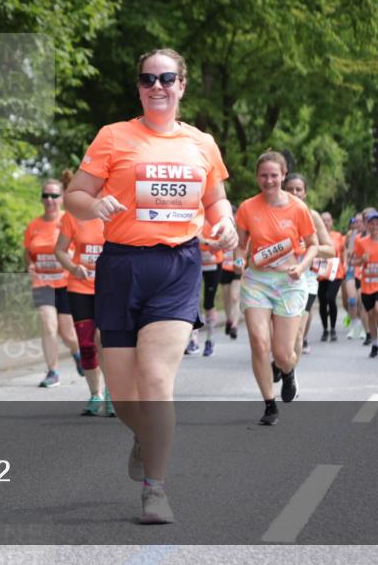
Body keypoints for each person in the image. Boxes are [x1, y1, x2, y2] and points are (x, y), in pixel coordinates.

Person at [65, 48, 236, 524]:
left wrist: (227, 224)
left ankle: (155, 489)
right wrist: (91, 207)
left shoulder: (202, 143)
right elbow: (76, 194)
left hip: (177, 266)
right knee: (123, 395)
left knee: (157, 379)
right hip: (120, 267)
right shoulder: (113, 136)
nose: (156, 86)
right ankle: (143, 434)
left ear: (182, 85)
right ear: (139, 86)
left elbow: (217, 199)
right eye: (147, 79)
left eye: (166, 78)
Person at [235, 152, 317, 426]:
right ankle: (269, 405)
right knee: (259, 342)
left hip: (289, 282)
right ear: (257, 177)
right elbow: (241, 244)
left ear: (283, 175)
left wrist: (301, 266)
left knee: (283, 353)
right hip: (257, 281)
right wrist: (238, 261)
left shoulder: (297, 208)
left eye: (274, 175)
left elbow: (313, 244)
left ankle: (288, 371)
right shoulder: (247, 207)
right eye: (263, 175)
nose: (268, 180)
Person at [54, 170, 110, 415]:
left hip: (110, 289)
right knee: (87, 344)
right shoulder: (72, 217)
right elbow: (60, 250)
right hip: (79, 288)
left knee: (105, 341)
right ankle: (95, 395)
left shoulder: (114, 213)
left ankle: (112, 393)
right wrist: (73, 268)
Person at [25, 178, 83, 388]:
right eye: (46, 195)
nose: (49, 200)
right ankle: (53, 372)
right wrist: (30, 265)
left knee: (68, 332)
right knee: (48, 325)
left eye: (54, 195)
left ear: (62, 198)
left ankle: (78, 353)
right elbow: (28, 252)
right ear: (42, 199)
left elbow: (80, 249)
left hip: (67, 283)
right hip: (42, 283)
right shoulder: (34, 225)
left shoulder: (69, 221)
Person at [281, 173, 334, 358]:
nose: (294, 192)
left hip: (306, 281)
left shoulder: (312, 216)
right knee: (280, 335)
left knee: (297, 332)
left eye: (298, 189)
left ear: (305, 193)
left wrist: (309, 248)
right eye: (290, 189)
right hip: (278, 280)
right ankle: (282, 361)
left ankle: (289, 376)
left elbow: (330, 250)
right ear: (283, 190)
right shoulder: (273, 213)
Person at [351, 212, 378, 357]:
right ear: (367, 225)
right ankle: (375, 345)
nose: (375, 226)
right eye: (372, 223)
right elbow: (353, 261)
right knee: (370, 316)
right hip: (367, 284)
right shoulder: (361, 242)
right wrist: (361, 260)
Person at [196, 219, 224, 356]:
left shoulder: (217, 215)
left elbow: (225, 239)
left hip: (214, 263)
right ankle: (192, 339)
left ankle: (209, 339)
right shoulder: (195, 212)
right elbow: (193, 234)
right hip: (196, 263)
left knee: (208, 302)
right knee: (194, 300)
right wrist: (208, 242)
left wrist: (217, 244)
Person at [317, 211, 344, 341]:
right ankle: (325, 329)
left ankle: (333, 328)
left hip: (336, 272)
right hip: (322, 271)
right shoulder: (316, 237)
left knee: (330, 298)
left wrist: (346, 266)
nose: (326, 223)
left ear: (332, 222)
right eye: (323, 220)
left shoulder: (337, 236)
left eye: (328, 220)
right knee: (322, 301)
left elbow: (343, 253)